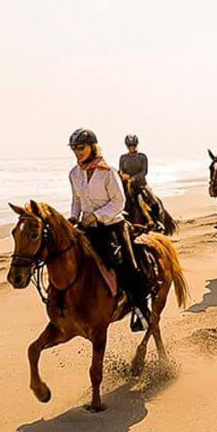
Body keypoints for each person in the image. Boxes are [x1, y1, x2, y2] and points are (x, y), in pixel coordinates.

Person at [68, 128, 151, 331]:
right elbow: (76, 201)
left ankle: (141, 309)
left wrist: (96, 216)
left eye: (81, 147)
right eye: (74, 148)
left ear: (92, 147)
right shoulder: (74, 173)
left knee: (130, 266)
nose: (78, 152)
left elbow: (119, 202)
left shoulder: (108, 172)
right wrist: (72, 217)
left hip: (112, 226)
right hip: (87, 228)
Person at [119, 134, 163, 227]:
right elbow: (121, 170)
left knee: (152, 200)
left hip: (141, 185)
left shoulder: (142, 157)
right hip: (128, 186)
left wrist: (133, 178)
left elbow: (144, 171)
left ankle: (156, 221)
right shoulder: (123, 158)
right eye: (129, 146)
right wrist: (123, 175)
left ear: (136, 145)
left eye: (133, 146)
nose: (131, 148)